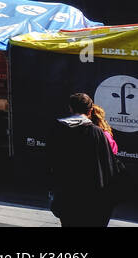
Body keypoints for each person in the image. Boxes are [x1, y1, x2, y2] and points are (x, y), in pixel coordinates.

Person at [49, 92, 124, 227]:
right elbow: (108, 167)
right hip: (92, 198)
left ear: (70, 108)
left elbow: (51, 162)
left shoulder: (58, 129)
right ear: (90, 111)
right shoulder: (97, 132)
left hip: (67, 195)